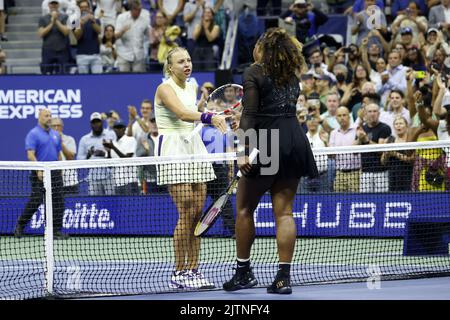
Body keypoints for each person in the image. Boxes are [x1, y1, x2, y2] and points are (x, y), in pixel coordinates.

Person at [222, 28, 318, 294]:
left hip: (267, 144)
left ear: (263, 48)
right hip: (295, 141)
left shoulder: (254, 72)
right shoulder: (291, 75)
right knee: (285, 213)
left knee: (243, 209)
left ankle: (243, 273)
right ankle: (283, 279)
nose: (254, 48)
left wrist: (242, 149)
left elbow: (249, 115)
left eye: (257, 44)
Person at [153, 47, 228, 289]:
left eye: (188, 59)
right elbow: (183, 114)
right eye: (180, 61)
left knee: (198, 213)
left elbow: (192, 112)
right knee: (185, 211)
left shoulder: (192, 85)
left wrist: (206, 112)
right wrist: (207, 117)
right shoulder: (164, 88)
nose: (187, 64)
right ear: (170, 66)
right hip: (173, 149)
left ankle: (194, 270)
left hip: (194, 148)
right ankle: (179, 271)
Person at [14, 109, 66, 239]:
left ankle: (56, 231)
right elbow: (30, 154)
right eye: (46, 116)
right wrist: (38, 169)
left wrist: (60, 168)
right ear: (39, 117)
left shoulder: (55, 134)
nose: (49, 118)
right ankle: (20, 225)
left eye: (50, 116)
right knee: (36, 199)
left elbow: (58, 153)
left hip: (54, 171)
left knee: (58, 201)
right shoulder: (33, 134)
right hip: (40, 171)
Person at [355, 103, 392, 193]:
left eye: (375, 111)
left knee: (382, 199)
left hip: (381, 172)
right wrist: (360, 139)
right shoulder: (362, 128)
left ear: (379, 113)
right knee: (365, 200)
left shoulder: (385, 128)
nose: (372, 114)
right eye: (370, 111)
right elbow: (354, 151)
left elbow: (381, 150)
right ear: (366, 114)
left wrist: (367, 140)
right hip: (365, 172)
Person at [77, 112, 116, 195]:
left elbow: (116, 155)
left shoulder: (111, 135)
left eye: (98, 121)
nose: (96, 124)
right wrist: (88, 155)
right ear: (91, 124)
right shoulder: (84, 139)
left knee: (112, 204)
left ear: (102, 122)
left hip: (109, 176)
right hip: (93, 178)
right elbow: (79, 159)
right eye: (94, 122)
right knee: (96, 204)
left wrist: (106, 153)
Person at [103, 120, 139, 195]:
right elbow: (109, 166)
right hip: (117, 183)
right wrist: (109, 151)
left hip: (130, 182)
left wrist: (113, 148)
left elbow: (126, 159)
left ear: (124, 128)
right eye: (116, 128)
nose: (118, 130)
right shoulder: (112, 143)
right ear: (113, 129)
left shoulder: (131, 140)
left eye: (120, 127)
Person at [329, 106, 361, 192]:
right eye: (339, 116)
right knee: (339, 200)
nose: (342, 118)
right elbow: (332, 155)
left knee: (355, 200)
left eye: (344, 115)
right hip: (339, 174)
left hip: (355, 173)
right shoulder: (333, 133)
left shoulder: (356, 130)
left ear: (349, 117)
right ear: (336, 118)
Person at [115, 0, 150, 72]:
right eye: (136, 10)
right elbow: (115, 36)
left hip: (139, 55)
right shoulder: (121, 18)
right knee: (123, 79)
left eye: (140, 10)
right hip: (123, 54)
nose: (139, 12)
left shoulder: (144, 20)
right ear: (131, 9)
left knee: (138, 79)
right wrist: (122, 31)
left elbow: (149, 36)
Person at [381, 116, 414, 191]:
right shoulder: (390, 140)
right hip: (393, 176)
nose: (398, 125)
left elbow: (412, 160)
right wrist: (386, 155)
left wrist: (395, 154)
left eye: (401, 123)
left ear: (406, 126)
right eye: (396, 124)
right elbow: (383, 161)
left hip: (407, 175)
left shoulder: (410, 140)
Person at [39, 0, 71, 74]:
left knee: (64, 74)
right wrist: (51, 23)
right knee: (46, 74)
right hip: (48, 50)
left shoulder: (65, 17)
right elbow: (41, 34)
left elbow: (66, 32)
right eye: (52, 4)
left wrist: (56, 20)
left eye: (55, 4)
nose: (54, 5)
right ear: (49, 5)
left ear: (58, 5)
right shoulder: (43, 18)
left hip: (62, 50)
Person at [50, 117, 79, 195]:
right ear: (50, 127)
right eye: (54, 126)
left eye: (58, 125)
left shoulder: (70, 140)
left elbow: (70, 158)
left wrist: (60, 142)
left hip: (70, 181)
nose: (56, 128)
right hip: (53, 182)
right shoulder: (46, 141)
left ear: (62, 127)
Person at [74, 0, 103, 74]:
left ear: (89, 8)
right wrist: (81, 24)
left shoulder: (95, 20)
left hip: (95, 54)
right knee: (83, 80)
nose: (84, 9)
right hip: (82, 55)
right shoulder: (76, 21)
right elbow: (77, 36)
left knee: (98, 78)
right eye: (82, 7)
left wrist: (92, 21)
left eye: (86, 7)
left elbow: (99, 31)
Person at [192, 6, 221, 71]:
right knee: (196, 70)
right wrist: (202, 25)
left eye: (209, 12)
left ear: (212, 16)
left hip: (209, 50)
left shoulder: (216, 27)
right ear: (202, 15)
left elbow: (210, 39)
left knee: (209, 69)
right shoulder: (198, 26)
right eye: (205, 12)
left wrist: (206, 28)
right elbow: (194, 37)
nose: (207, 14)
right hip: (198, 50)